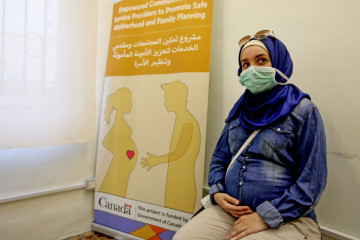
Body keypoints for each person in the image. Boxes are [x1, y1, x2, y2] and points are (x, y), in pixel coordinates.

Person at [173, 30, 327, 240]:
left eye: (261, 60)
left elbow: (312, 184)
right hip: (231, 212)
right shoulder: (240, 111)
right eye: (245, 64)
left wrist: (265, 216)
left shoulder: (304, 112)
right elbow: (219, 159)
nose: (251, 69)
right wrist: (217, 192)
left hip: (288, 218)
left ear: (280, 64)